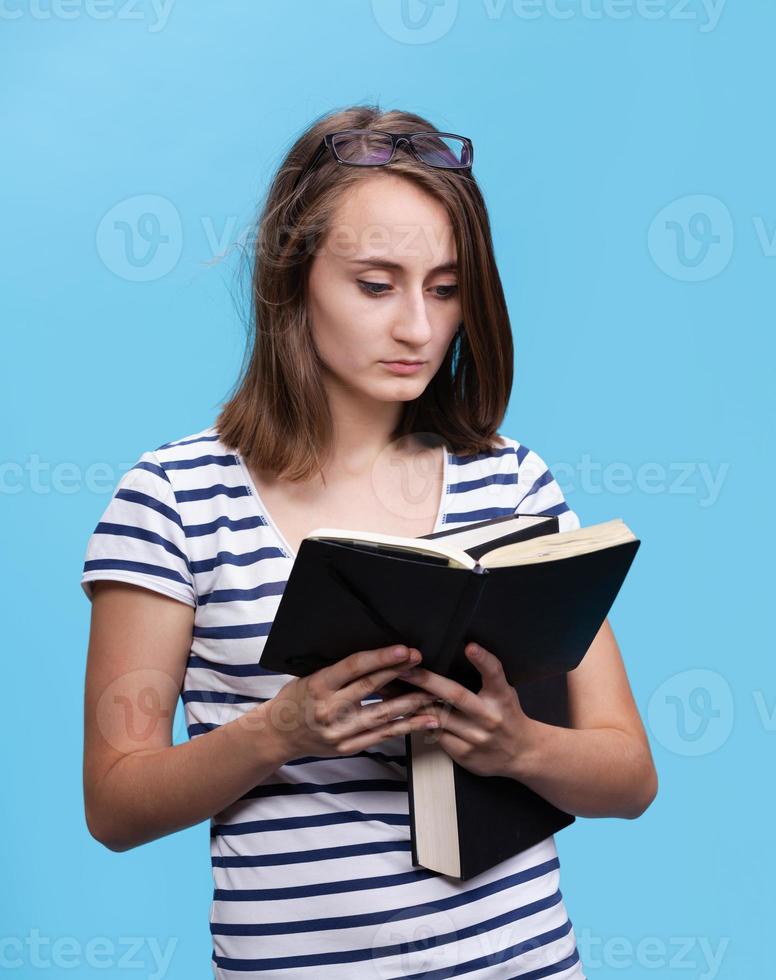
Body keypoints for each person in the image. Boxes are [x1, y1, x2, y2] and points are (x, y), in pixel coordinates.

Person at [80, 105, 658, 980]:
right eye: (377, 284)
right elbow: (115, 801)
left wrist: (520, 746)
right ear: (293, 277)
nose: (419, 330)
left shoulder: (512, 480)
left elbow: (629, 775)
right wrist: (278, 730)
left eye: (446, 287)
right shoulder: (174, 498)